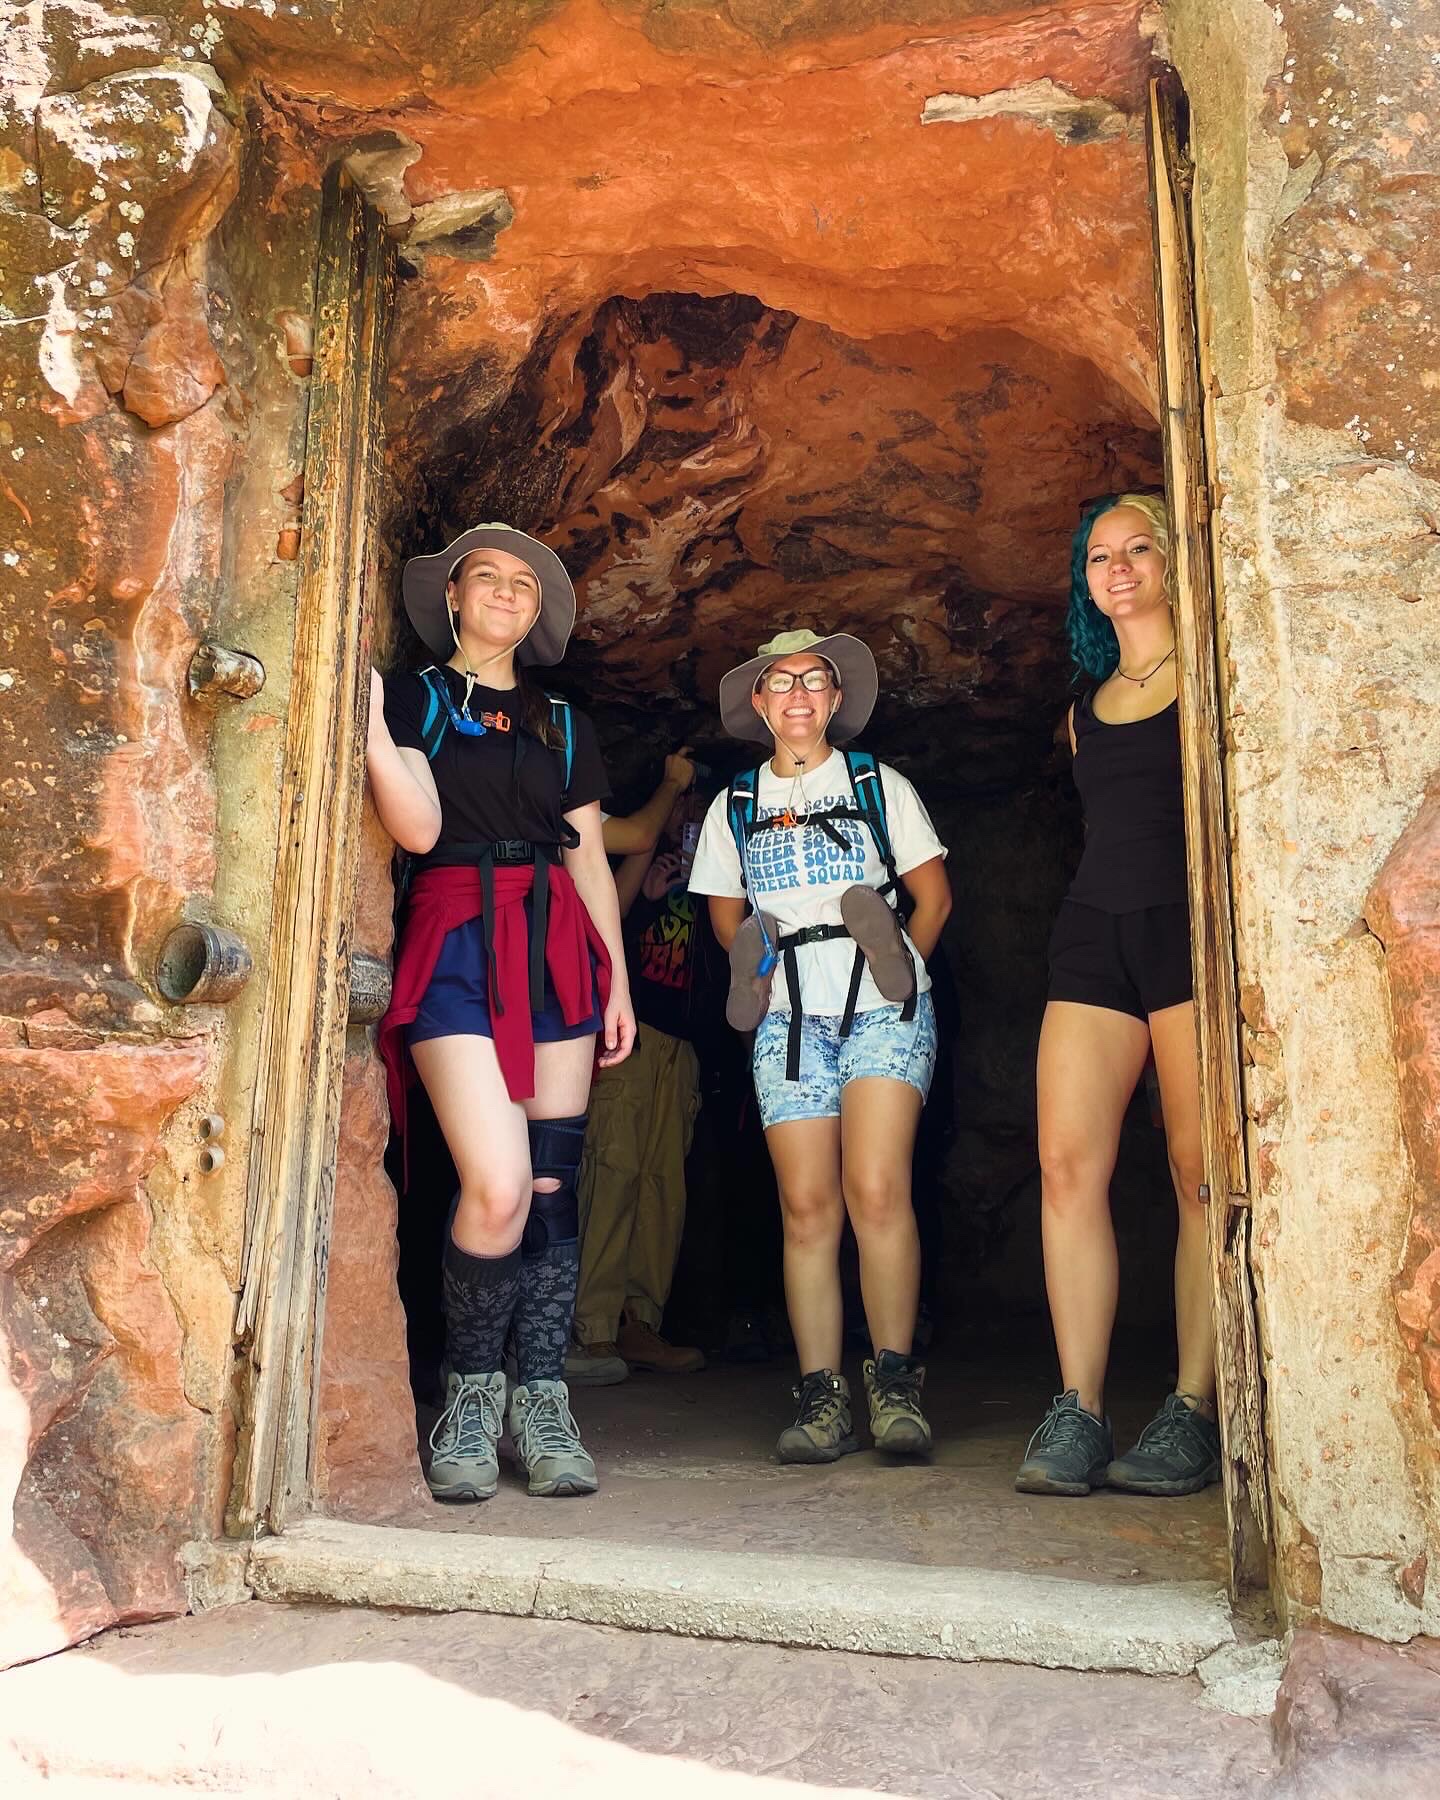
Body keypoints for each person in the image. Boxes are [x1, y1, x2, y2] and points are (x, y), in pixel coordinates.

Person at [369, 522, 635, 1504]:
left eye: (526, 583)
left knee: (555, 1192)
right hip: (454, 932)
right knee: (499, 1185)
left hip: (557, 936)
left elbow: (587, 857)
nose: (508, 592)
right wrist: (365, 720)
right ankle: (469, 1396)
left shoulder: (564, 724)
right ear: (453, 595)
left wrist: (614, 978)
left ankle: (541, 1397)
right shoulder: (420, 697)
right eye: (490, 576)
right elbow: (421, 826)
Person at [690, 628, 952, 1463]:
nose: (799, 695)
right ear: (759, 704)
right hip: (785, 1013)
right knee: (807, 1207)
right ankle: (821, 1394)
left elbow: (933, 897)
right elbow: (722, 912)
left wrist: (904, 976)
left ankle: (894, 1380)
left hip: (883, 1003)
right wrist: (752, 962)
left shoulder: (877, 783)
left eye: (815, 681)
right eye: (781, 682)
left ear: (836, 702)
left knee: (875, 1188)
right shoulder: (734, 805)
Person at [1015, 493, 1220, 1498]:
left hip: (1187, 932)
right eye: (1102, 556)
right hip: (1095, 932)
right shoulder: (1083, 705)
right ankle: (1079, 1410)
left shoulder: (1218, 672)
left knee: (1197, 1172)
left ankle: (1192, 1408)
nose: (1122, 567)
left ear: (1175, 561)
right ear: (1085, 579)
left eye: (1142, 547)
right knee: (1064, 1165)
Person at [566, 785, 714, 1385]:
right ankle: (589, 1328)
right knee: (612, 1174)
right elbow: (605, 921)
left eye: (705, 813)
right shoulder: (641, 856)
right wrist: (652, 892)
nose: (693, 822)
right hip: (630, 1032)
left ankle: (638, 1323)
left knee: (662, 1187)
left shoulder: (722, 871)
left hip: (684, 1046)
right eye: (688, 809)